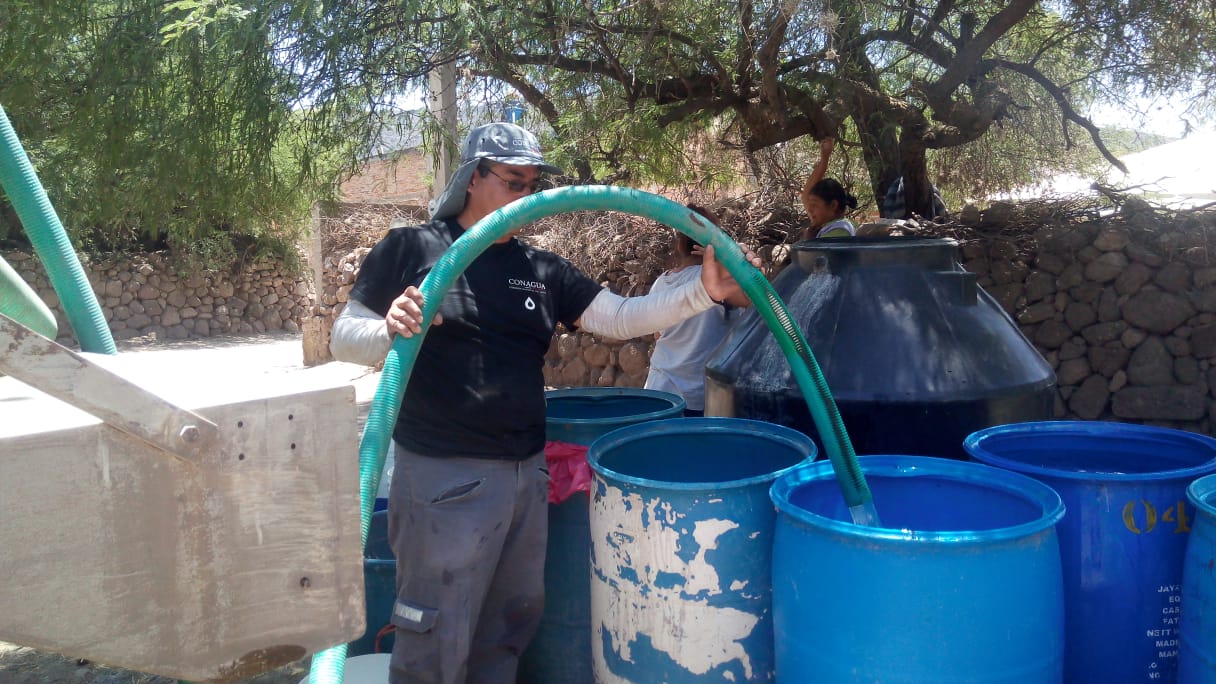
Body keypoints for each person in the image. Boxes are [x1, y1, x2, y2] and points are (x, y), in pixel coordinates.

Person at [329, 122, 758, 684]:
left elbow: (621, 317)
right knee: (435, 632)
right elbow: (344, 335)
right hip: (441, 476)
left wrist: (705, 291)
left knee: (506, 627)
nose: (525, 197)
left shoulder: (539, 269)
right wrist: (389, 330)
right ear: (474, 178)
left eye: (532, 185)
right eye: (512, 182)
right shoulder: (414, 248)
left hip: (526, 476)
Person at [644, 204, 750, 416]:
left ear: (680, 244)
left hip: (660, 390)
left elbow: (656, 333)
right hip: (699, 396)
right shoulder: (722, 282)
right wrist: (730, 260)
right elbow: (754, 303)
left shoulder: (662, 282)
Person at [799, 137, 858, 239]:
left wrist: (809, 242)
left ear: (833, 205)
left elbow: (820, 255)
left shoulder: (840, 230)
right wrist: (824, 161)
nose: (809, 209)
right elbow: (806, 196)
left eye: (814, 204)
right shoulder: (827, 225)